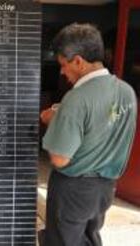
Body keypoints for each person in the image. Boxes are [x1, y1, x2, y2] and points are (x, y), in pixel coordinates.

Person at [40, 23, 137, 246]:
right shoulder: (126, 91)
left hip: (74, 190)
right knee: (90, 239)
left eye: (63, 65)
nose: (63, 73)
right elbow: (100, 124)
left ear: (78, 61)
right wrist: (63, 117)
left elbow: (59, 158)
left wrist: (53, 120)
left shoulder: (76, 99)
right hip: (105, 189)